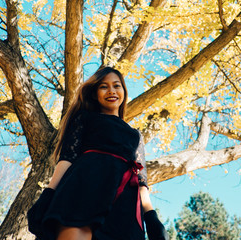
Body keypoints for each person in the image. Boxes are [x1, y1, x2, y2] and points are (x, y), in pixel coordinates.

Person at [27, 67, 169, 240]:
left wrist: (151, 218)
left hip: (124, 204)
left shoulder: (136, 136)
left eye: (117, 86)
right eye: (104, 86)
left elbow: (140, 180)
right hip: (85, 188)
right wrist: (49, 193)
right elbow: (67, 159)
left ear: (124, 91)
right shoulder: (84, 118)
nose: (111, 91)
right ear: (94, 94)